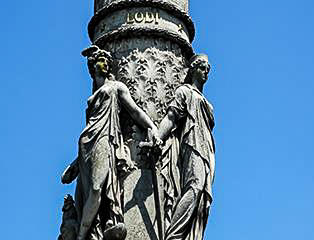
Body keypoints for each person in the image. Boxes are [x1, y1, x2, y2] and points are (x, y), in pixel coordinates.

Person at [61, 45, 160, 240]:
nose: (104, 63)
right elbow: (91, 125)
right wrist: (74, 165)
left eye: (106, 61)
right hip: (87, 143)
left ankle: (82, 234)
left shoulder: (116, 87)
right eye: (100, 60)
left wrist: (152, 127)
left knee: (98, 188)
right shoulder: (92, 98)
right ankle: (92, 229)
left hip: (106, 139)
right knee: (88, 191)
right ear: (92, 67)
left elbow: (134, 111)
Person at [157, 54, 215, 240]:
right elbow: (171, 117)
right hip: (192, 142)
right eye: (202, 67)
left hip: (207, 149)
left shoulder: (208, 105)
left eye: (208, 69)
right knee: (195, 187)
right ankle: (174, 235)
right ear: (192, 69)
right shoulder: (184, 92)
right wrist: (158, 137)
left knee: (203, 199)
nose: (205, 71)